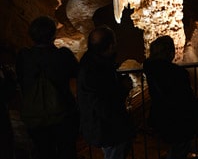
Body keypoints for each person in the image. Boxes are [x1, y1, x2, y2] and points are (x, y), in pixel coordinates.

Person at [15, 15, 79, 159]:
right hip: (63, 114)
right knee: (66, 151)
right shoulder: (63, 55)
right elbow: (78, 74)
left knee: (43, 152)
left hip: (35, 117)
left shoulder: (24, 57)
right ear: (53, 34)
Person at [143, 35, 198, 159]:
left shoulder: (151, 70)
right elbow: (185, 99)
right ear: (169, 53)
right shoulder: (176, 74)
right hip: (178, 120)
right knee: (179, 149)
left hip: (161, 115)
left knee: (177, 149)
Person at [77, 26, 135, 159]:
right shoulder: (95, 71)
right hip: (107, 129)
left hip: (102, 127)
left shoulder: (93, 64)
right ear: (110, 46)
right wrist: (123, 88)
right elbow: (105, 102)